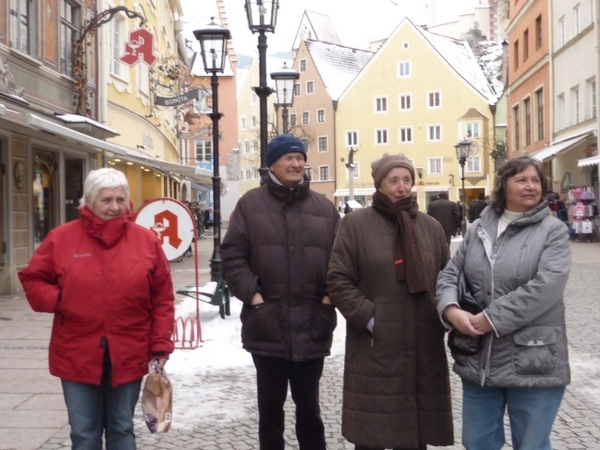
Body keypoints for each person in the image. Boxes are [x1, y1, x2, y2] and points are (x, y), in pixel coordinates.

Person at [18, 168, 175, 450]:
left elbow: (162, 298)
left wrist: (160, 347)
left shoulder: (146, 241)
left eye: (120, 199)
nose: (115, 207)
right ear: (89, 201)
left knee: (122, 429)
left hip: (129, 348)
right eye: (106, 200)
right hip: (76, 349)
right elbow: (32, 278)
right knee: (84, 433)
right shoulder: (61, 238)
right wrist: (61, 299)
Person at [436, 155, 571, 450]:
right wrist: (451, 309)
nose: (530, 186)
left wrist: (490, 319)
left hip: (533, 358)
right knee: (477, 442)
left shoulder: (553, 231)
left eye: (536, 180)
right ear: (504, 185)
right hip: (480, 359)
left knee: (531, 444)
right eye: (521, 179)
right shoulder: (479, 229)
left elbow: (546, 287)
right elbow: (449, 275)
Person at [326, 153, 454, 450]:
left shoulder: (430, 227)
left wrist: (447, 315)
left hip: (423, 342)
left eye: (407, 180)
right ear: (380, 184)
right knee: (372, 431)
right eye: (394, 180)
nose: (401, 187)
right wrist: (371, 318)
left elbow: (448, 279)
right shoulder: (355, 224)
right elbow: (338, 279)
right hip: (376, 345)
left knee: (414, 432)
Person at [221, 134, 340, 450]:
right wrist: (253, 296)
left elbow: (342, 261)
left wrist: (330, 298)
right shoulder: (250, 204)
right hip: (267, 325)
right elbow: (232, 256)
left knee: (310, 411)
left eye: (300, 157)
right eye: (289, 157)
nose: (296, 163)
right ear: (272, 163)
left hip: (313, 324)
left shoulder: (325, 209)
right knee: (269, 412)